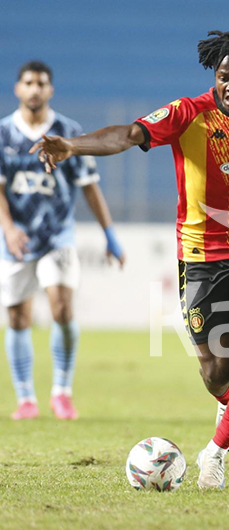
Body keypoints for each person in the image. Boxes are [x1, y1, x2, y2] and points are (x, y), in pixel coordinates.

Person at [32, 25, 229, 489]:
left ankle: (215, 452)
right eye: (225, 75)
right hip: (201, 258)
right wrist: (72, 145)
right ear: (214, 76)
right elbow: (127, 134)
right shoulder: (187, 113)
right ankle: (228, 401)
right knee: (215, 370)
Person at [0, 61, 125, 421]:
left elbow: (90, 188)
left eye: (41, 83)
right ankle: (26, 398)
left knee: (62, 309)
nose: (35, 89)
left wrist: (110, 235)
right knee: (18, 318)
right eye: (28, 82)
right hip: (17, 239)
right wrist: (8, 228)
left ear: (50, 90)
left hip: (57, 235)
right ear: (18, 89)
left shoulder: (67, 131)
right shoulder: (4, 134)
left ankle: (61, 392)